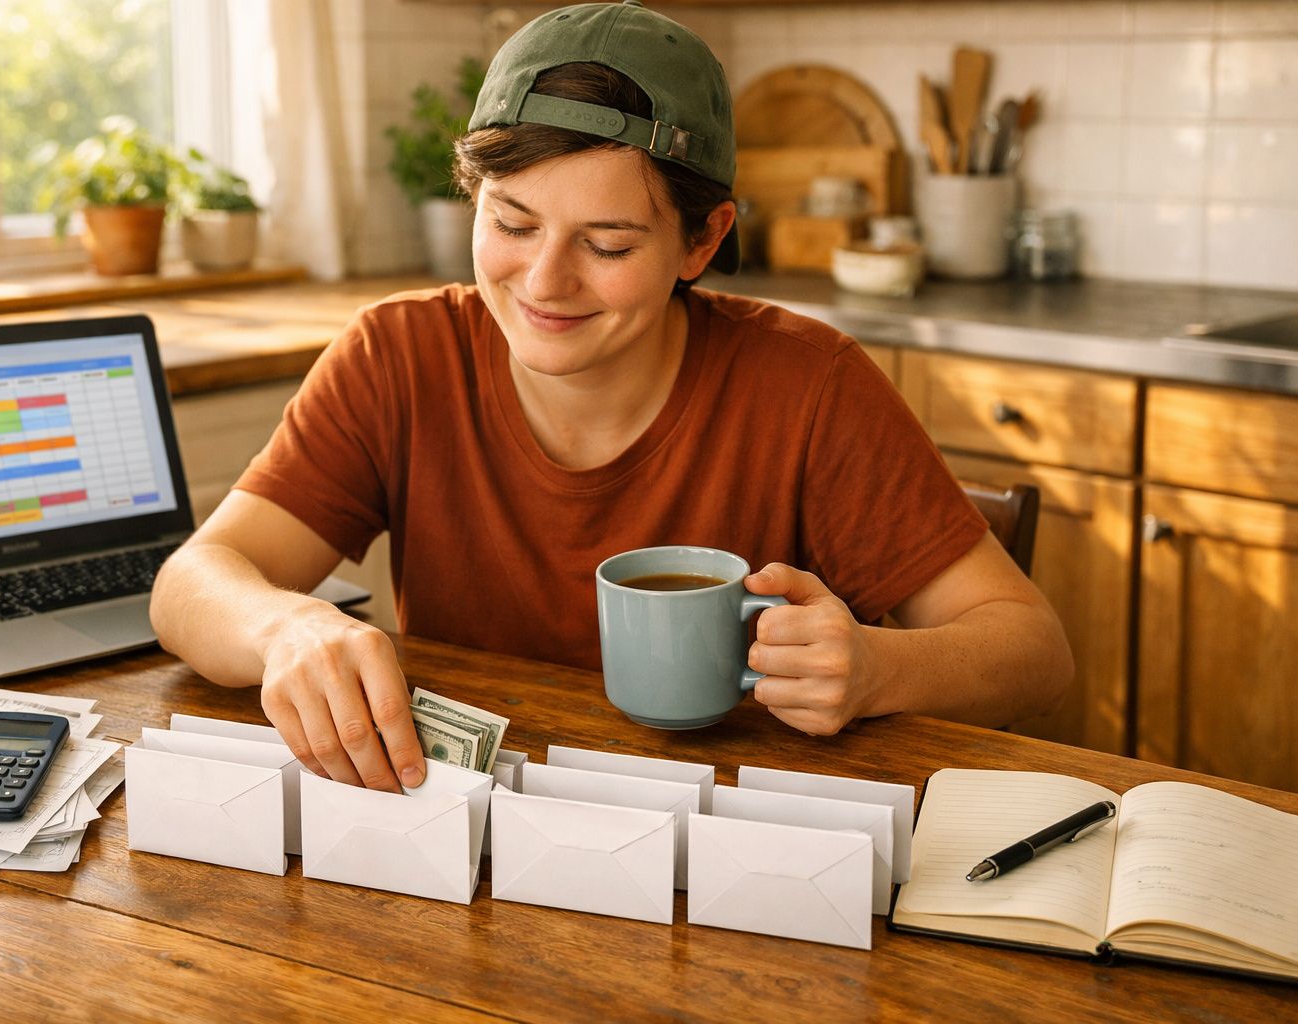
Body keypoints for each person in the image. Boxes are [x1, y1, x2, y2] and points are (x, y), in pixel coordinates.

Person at [149, 0, 1072, 793]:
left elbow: (1034, 652)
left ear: (702, 243)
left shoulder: (810, 386)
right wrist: (287, 626)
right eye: (512, 223)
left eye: (609, 245)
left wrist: (878, 668)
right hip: (473, 841)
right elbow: (191, 584)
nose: (545, 282)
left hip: (729, 858)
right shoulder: (398, 355)